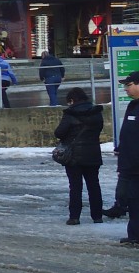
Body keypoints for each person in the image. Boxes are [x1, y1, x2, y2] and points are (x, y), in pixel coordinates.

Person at [54, 87, 103, 225]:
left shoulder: (70, 114)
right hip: (93, 153)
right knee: (94, 185)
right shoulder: (97, 112)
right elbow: (99, 129)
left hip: (74, 156)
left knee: (75, 187)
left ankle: (74, 217)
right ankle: (97, 216)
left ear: (71, 100)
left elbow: (59, 132)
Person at [107, 71, 139, 244]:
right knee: (133, 202)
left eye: (129, 85)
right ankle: (135, 235)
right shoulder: (132, 106)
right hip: (130, 166)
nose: (126, 89)